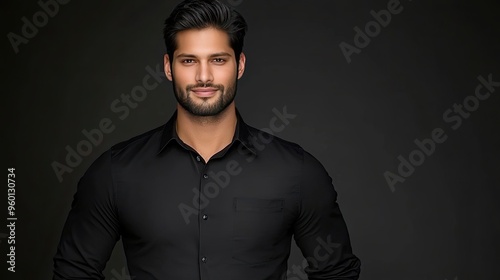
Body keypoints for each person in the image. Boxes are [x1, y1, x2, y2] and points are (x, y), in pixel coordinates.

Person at [53, 0, 361, 279]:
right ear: (167, 67)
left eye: (218, 60)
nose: (203, 77)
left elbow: (337, 273)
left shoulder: (297, 172)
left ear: (239, 65)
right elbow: (74, 272)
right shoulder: (115, 173)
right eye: (188, 61)